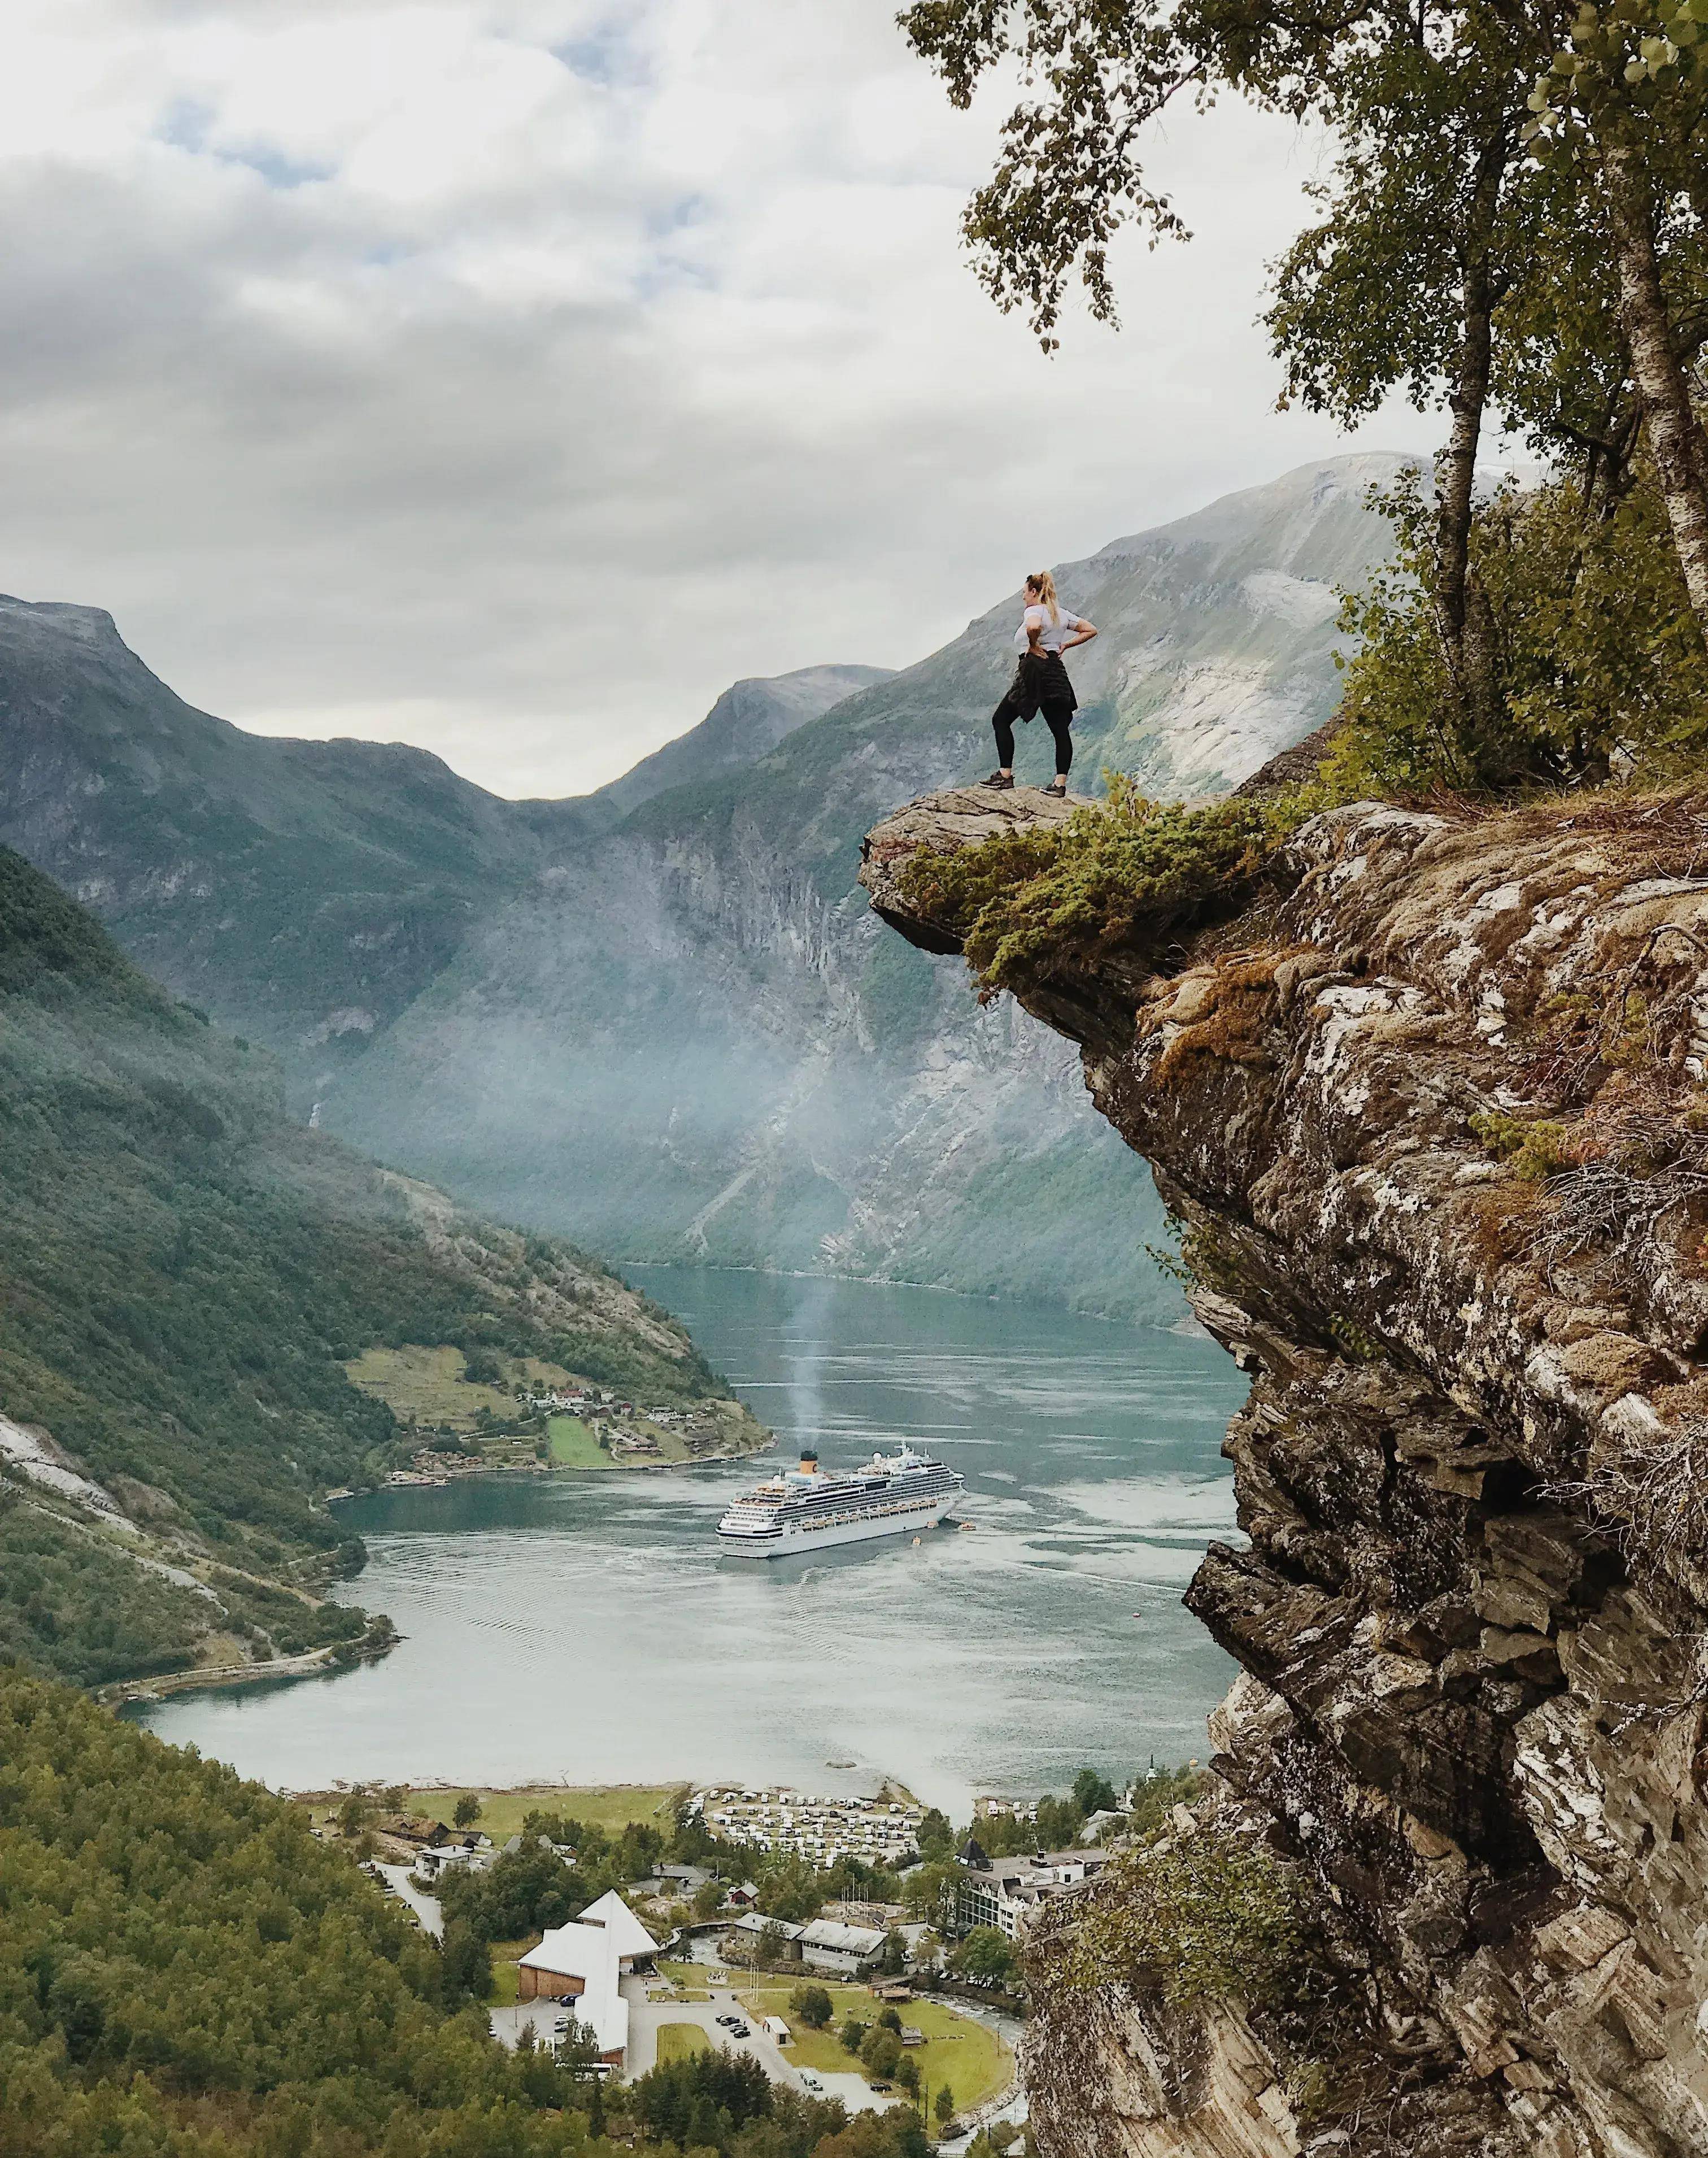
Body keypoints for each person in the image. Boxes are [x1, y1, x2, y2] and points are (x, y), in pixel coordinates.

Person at [984, 571, 1097, 794]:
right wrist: (1065, 645)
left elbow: (1033, 627)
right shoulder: (1060, 614)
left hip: (1034, 669)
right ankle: (1059, 784)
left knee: (1001, 720)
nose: (1023, 598)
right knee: (1059, 730)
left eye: (1025, 593)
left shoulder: (1034, 611)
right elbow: (1091, 630)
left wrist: (1033, 645)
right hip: (1055, 671)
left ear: (1034, 592)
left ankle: (1005, 775)